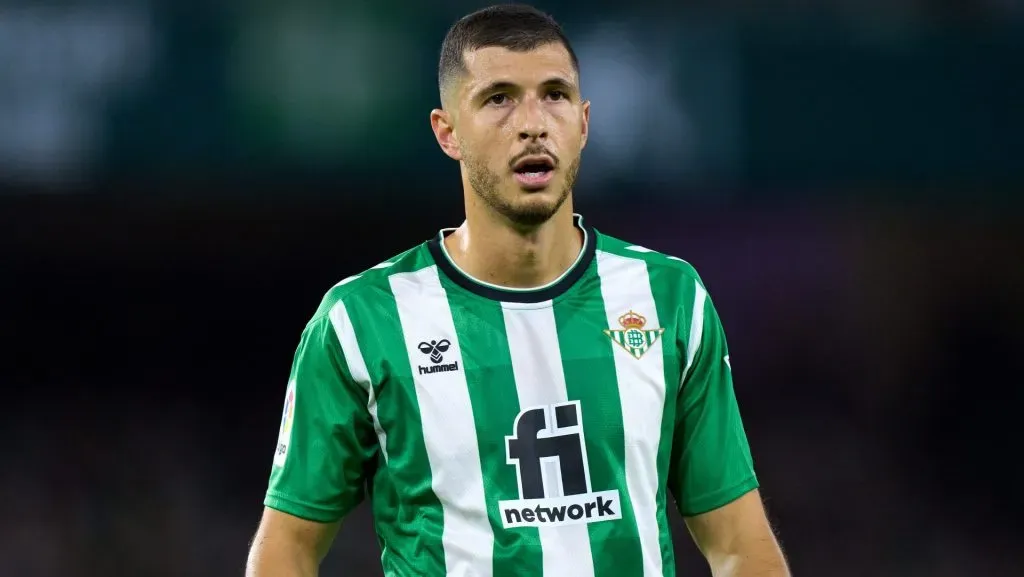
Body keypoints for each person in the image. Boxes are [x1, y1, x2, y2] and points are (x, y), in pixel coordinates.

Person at [245, 4, 789, 576]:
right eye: (499, 98)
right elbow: (287, 546)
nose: (533, 123)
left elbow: (738, 545)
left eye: (554, 94)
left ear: (583, 122)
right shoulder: (363, 321)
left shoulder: (668, 297)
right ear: (447, 131)